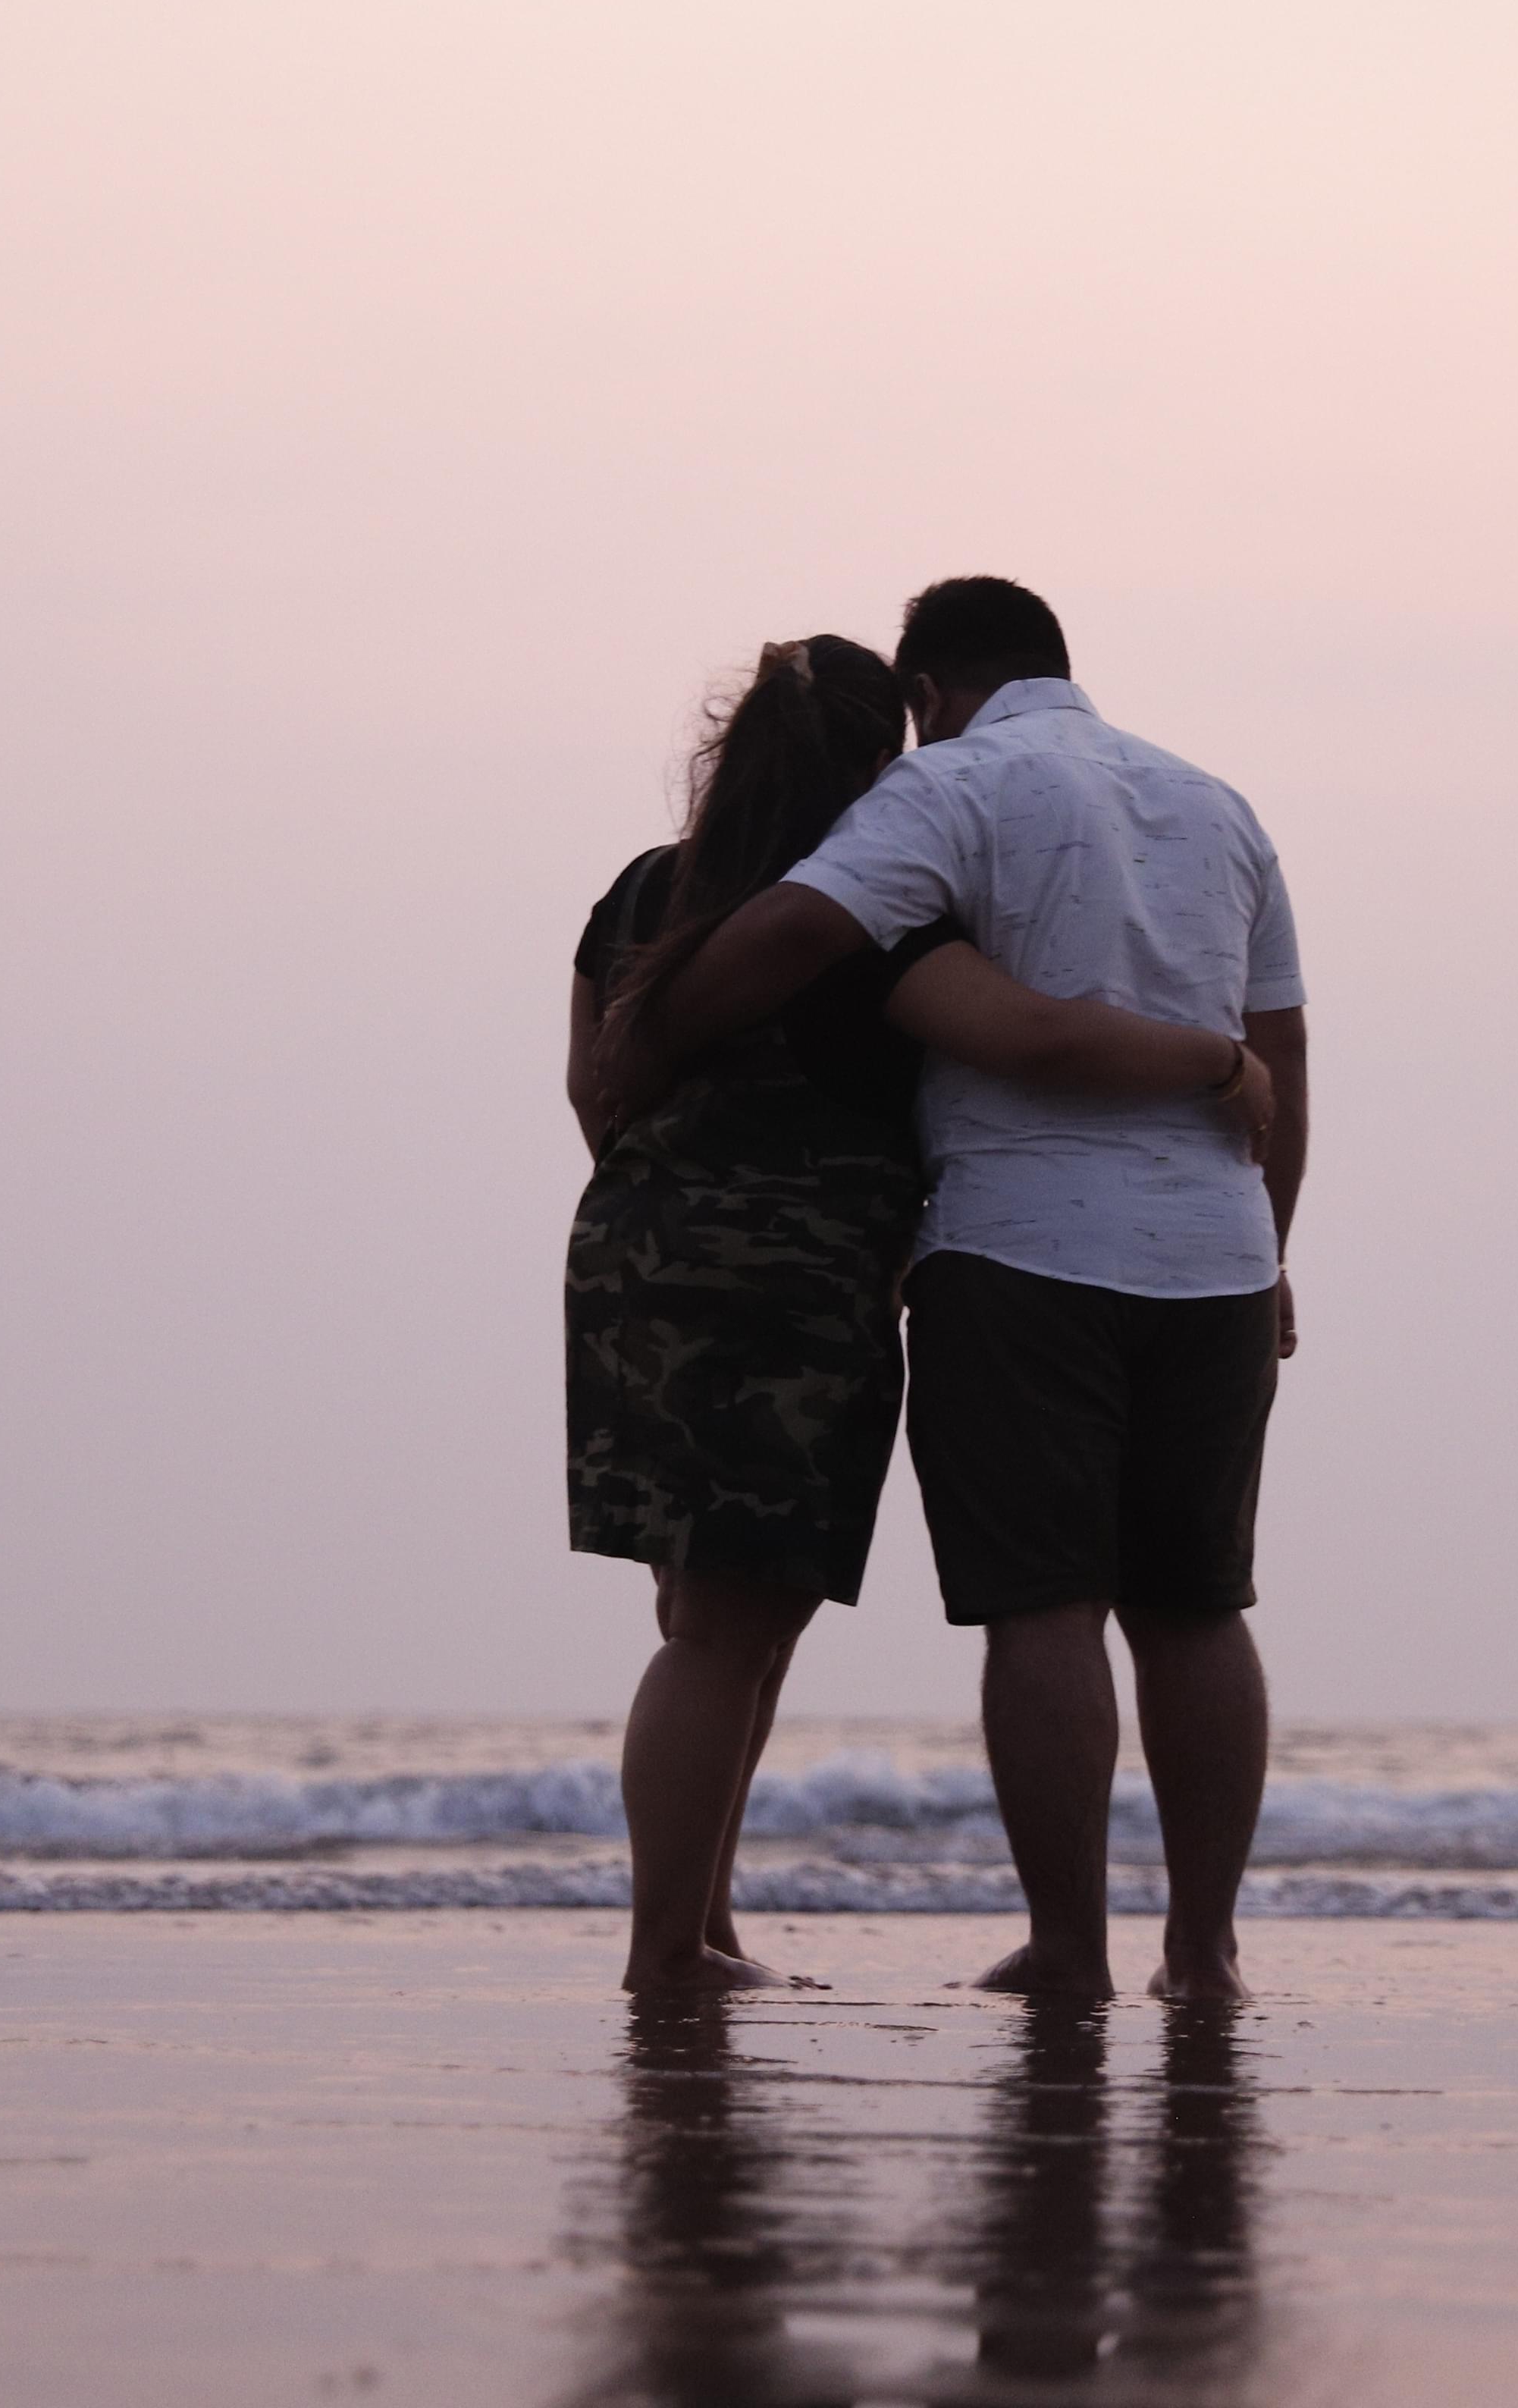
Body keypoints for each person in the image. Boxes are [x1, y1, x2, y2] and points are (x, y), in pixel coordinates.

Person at [607, 579, 1306, 2006]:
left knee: (1043, 1606)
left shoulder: (950, 787)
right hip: (1218, 1255)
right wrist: (1275, 1247)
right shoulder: (1220, 807)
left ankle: (1070, 1950)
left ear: (927, 695)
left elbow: (794, 934)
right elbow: (1280, 1053)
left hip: (1022, 1250)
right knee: (1199, 1608)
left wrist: (656, 1019)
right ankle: (1204, 1953)